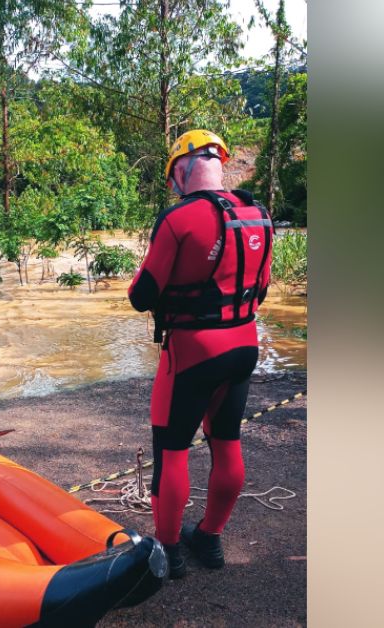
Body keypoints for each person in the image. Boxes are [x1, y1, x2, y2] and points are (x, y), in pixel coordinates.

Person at [128, 130, 273, 579]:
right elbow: (261, 289)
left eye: (173, 173)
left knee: (172, 451)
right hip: (244, 346)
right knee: (226, 440)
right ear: (220, 163)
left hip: (191, 354)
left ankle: (169, 552)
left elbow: (142, 295)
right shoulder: (259, 215)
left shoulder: (177, 219)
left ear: (182, 169)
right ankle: (209, 539)